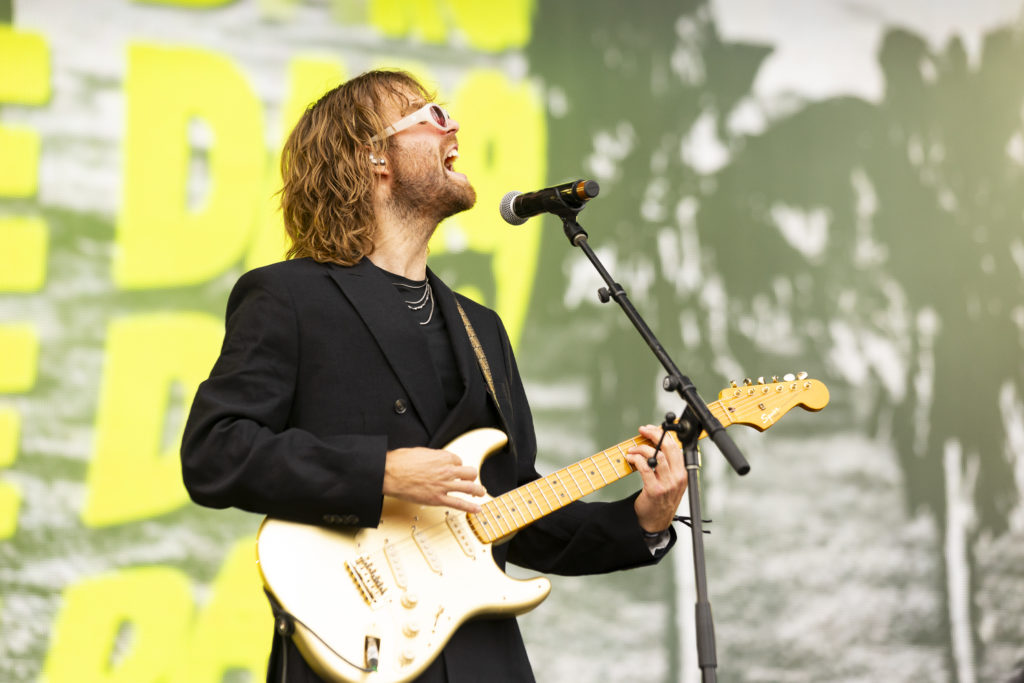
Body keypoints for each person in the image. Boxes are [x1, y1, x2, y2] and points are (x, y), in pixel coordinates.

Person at [180, 69, 688, 683]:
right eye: (431, 116)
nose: (454, 126)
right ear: (373, 156)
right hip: (352, 648)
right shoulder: (289, 296)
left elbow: (511, 508)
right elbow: (214, 452)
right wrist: (381, 471)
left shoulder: (483, 328)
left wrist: (642, 519)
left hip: (484, 661)